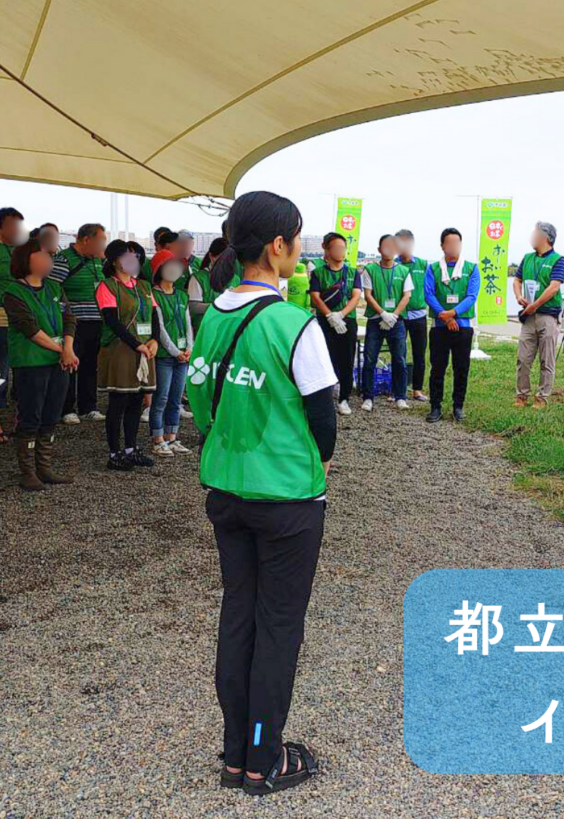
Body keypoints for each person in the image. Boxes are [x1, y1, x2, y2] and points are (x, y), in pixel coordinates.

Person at [187, 190, 336, 796]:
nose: (298, 249)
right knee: (278, 626)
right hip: (288, 500)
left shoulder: (212, 317)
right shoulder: (292, 322)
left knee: (239, 615)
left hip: (227, 490)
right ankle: (262, 760)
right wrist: (302, 460)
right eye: (296, 239)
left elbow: (200, 400)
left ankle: (234, 755)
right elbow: (324, 422)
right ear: (277, 247)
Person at [4, 238, 78, 489]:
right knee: (30, 414)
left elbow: (70, 318)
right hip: (31, 362)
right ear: (28, 260)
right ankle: (27, 472)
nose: (49, 260)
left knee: (51, 414)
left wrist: (67, 348)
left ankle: (44, 467)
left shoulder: (55, 288)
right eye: (43, 255)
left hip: (58, 361)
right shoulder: (14, 292)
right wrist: (62, 350)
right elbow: (29, 328)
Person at [96, 240, 159, 471]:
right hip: (120, 350)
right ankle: (114, 453)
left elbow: (154, 316)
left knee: (137, 399)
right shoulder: (107, 286)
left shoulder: (143, 286)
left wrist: (154, 340)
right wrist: (136, 344)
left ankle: (131, 449)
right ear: (114, 261)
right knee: (118, 401)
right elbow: (112, 321)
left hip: (143, 348)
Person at [51, 223, 108, 425]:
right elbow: (53, 289)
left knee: (90, 366)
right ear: (86, 239)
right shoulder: (63, 259)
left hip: (96, 321)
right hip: (73, 323)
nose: (103, 244)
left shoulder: (98, 261)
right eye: (101, 240)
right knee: (70, 364)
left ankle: (88, 407)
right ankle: (67, 408)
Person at [422, 228, 480, 423]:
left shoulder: (471, 268)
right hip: (439, 326)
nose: (454, 247)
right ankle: (435, 407)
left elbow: (472, 296)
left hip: (463, 326)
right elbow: (429, 294)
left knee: (461, 367)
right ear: (442, 246)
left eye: (457, 243)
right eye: (450, 243)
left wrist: (454, 313)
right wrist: (445, 317)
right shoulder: (433, 269)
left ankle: (458, 406)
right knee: (437, 367)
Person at [513, 221, 564, 409]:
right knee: (523, 358)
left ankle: (542, 397)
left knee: (547, 359)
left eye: (534, 233)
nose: (531, 236)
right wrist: (519, 297)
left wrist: (535, 305)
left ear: (545, 237)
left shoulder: (559, 260)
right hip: (528, 317)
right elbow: (517, 280)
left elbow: (554, 287)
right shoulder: (527, 258)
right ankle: (521, 395)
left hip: (547, 316)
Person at [309, 233, 361, 415]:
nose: (340, 252)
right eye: (336, 248)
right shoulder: (318, 273)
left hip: (347, 320)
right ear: (327, 250)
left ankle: (344, 398)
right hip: (325, 320)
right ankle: (325, 396)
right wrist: (330, 315)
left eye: (343, 248)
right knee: (324, 357)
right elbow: (315, 296)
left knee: (347, 358)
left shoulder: (353, 272)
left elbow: (356, 296)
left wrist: (341, 314)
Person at [149, 250, 193, 457]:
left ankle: (172, 437)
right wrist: (176, 352)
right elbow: (159, 329)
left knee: (176, 399)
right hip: (165, 357)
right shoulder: (153, 295)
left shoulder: (182, 295)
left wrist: (190, 348)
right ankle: (157, 440)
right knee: (161, 398)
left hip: (182, 356)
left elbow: (188, 325)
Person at [360, 234, 412, 412]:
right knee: (369, 359)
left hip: (396, 322)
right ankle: (368, 397)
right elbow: (367, 295)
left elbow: (407, 296)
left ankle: (401, 396)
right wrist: (382, 314)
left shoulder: (403, 271)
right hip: (375, 321)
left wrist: (393, 316)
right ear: (379, 249)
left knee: (399, 359)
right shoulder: (370, 269)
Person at [0, 206, 29, 439]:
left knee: (21, 369)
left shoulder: (21, 252)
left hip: (19, 322)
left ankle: (22, 420)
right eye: (13, 225)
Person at [395, 228, 430, 402]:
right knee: (398, 353)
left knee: (419, 353)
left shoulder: (423, 265)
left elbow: (431, 287)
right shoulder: (392, 265)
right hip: (398, 316)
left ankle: (417, 389)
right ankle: (397, 390)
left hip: (419, 316)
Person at [190, 236, 229, 331]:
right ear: (212, 257)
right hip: (205, 329)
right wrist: (219, 306)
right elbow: (193, 307)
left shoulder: (235, 278)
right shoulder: (198, 278)